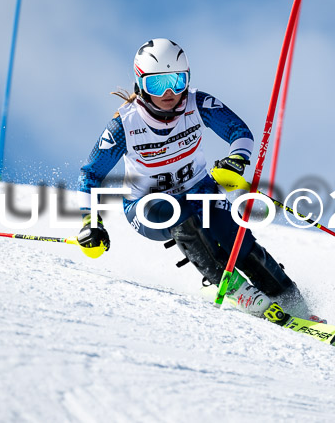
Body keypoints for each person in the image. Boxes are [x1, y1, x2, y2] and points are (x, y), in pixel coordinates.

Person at [77, 38, 310, 319]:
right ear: (141, 85)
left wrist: (235, 160)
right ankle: (237, 291)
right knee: (179, 213)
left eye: (177, 81)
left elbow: (240, 132)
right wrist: (91, 223)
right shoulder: (123, 126)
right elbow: (90, 174)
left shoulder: (197, 103)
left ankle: (293, 303)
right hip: (147, 206)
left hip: (200, 190)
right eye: (157, 85)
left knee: (238, 241)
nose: (169, 93)